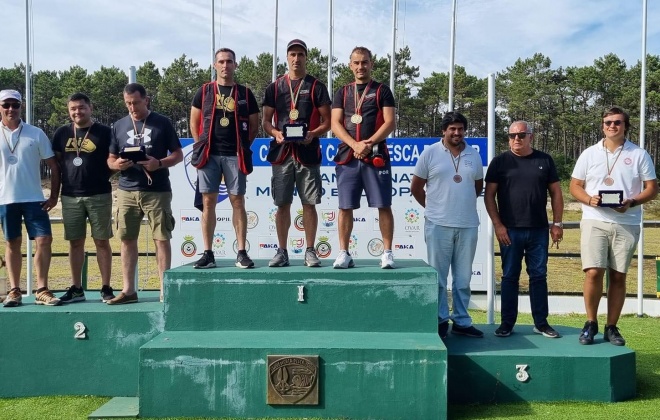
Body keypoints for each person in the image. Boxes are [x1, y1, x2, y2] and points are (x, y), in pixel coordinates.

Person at [569, 106, 658, 346]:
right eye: (608, 122)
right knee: (593, 271)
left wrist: (632, 202)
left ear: (625, 126)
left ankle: (611, 327)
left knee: (618, 276)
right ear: (602, 126)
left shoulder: (639, 154)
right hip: (594, 219)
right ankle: (590, 323)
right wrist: (589, 199)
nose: (612, 126)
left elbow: (652, 188)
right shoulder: (589, 153)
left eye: (617, 122)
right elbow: (575, 185)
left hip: (627, 221)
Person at [484, 120, 563, 338]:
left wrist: (557, 223)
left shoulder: (544, 160)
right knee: (510, 276)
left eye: (521, 135)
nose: (516, 139)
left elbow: (556, 193)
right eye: (512, 135)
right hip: (509, 231)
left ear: (531, 136)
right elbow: (489, 196)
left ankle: (541, 323)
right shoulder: (499, 162)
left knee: (538, 275)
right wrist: (498, 225)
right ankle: (507, 323)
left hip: (538, 230)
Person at [107, 83, 183, 304]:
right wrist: (117, 164)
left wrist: (158, 163)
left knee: (161, 238)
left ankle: (164, 290)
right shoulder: (119, 125)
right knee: (127, 239)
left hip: (157, 190)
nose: (132, 107)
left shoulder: (163, 123)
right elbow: (110, 159)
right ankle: (129, 290)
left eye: (136, 103)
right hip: (127, 189)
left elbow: (178, 155)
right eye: (128, 103)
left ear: (146, 100)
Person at [411, 111, 484, 338]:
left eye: (460, 129)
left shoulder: (473, 154)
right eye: (452, 129)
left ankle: (462, 321)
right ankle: (441, 319)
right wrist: (434, 209)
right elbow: (416, 187)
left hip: (467, 224)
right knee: (439, 277)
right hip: (438, 224)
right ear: (443, 130)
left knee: (463, 278)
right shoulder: (430, 154)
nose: (457, 133)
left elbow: (478, 187)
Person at [262, 39, 332, 267]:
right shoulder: (275, 87)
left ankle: (310, 251)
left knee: (309, 204)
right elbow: (265, 121)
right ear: (287, 57)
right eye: (292, 54)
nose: (296, 58)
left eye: (300, 54)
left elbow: (328, 121)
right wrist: (275, 133)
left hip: (307, 152)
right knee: (282, 204)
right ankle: (282, 251)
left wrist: (312, 133)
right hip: (281, 153)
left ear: (305, 58)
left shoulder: (316, 86)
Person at [189, 48, 259, 269]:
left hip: (234, 155)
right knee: (208, 203)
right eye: (221, 61)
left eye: (229, 61)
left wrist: (242, 145)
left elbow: (255, 125)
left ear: (235, 65)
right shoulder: (204, 91)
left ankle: (241, 252)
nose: (225, 65)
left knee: (237, 201)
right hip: (209, 155)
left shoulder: (245, 94)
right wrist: (201, 144)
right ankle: (208, 253)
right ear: (214, 65)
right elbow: (194, 122)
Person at [330, 46, 396, 269]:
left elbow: (390, 122)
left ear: (371, 64)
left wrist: (369, 143)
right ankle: (343, 253)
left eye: (365, 62)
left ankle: (387, 253)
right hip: (348, 156)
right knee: (345, 207)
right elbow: (335, 123)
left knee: (383, 205)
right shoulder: (343, 92)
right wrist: (355, 144)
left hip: (375, 156)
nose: (361, 67)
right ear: (350, 65)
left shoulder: (382, 90)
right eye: (356, 63)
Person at [0, 89, 61, 307]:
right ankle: (14, 291)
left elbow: (53, 165)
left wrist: (54, 196)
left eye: (15, 105)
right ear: (0, 106)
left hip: (34, 198)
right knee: (12, 243)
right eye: (6, 104)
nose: (10, 109)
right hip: (6, 200)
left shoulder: (36, 133)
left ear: (21, 107)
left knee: (45, 240)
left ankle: (42, 289)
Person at [52, 93, 115, 303]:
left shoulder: (105, 132)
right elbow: (57, 166)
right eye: (73, 109)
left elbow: (113, 162)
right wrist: (55, 194)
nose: (77, 112)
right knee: (75, 243)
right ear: (69, 111)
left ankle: (106, 287)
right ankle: (77, 288)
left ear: (91, 107)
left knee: (102, 242)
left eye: (81, 107)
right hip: (70, 196)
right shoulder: (61, 133)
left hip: (99, 194)